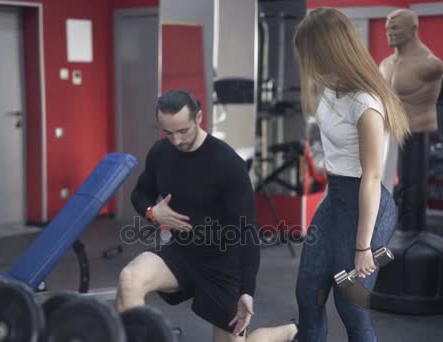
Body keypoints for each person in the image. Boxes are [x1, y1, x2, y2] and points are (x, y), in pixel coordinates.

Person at [115, 89, 298, 342]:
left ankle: (288, 332)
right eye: (168, 133)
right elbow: (140, 194)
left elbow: (247, 232)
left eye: (183, 131)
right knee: (130, 279)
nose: (176, 141)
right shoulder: (160, 152)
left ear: (199, 117)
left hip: (222, 265)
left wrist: (247, 291)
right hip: (181, 253)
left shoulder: (227, 164)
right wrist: (151, 212)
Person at [292, 8, 410, 342]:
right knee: (308, 295)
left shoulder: (365, 102)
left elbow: (372, 178)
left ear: (328, 50)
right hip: (336, 203)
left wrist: (363, 247)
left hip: (368, 209)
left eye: (308, 53)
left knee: (351, 308)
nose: (304, 61)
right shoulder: (330, 88)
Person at [380, 8, 443, 232]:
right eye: (388, 28)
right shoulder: (386, 64)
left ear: (413, 29)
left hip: (415, 131)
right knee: (382, 191)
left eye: (395, 28)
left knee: (412, 192)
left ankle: (413, 237)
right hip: (388, 134)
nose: (389, 33)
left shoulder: (430, 65)